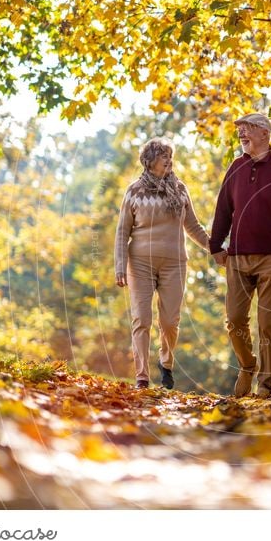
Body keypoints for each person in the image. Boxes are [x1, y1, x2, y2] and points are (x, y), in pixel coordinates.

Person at [210, 113, 271, 398]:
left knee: (267, 323)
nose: (242, 134)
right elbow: (223, 209)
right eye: (240, 130)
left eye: (247, 129)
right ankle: (247, 365)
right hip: (238, 257)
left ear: (264, 133)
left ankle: (266, 385)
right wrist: (216, 245)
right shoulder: (236, 168)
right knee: (235, 319)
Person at [114, 137, 209, 389]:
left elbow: (193, 226)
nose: (168, 159)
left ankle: (166, 363)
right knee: (141, 319)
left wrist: (216, 249)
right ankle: (142, 377)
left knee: (169, 322)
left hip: (175, 264)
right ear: (149, 160)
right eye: (162, 155)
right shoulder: (134, 191)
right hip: (140, 264)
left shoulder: (180, 189)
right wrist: (120, 265)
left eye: (170, 155)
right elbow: (123, 231)